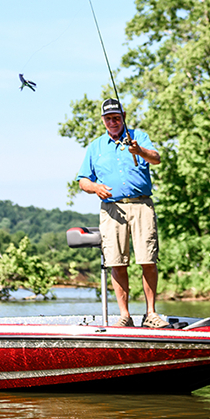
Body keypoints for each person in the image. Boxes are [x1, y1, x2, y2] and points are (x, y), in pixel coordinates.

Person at [77, 99, 166, 328]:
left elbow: (156, 158)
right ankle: (125, 316)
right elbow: (83, 181)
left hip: (141, 205)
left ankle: (151, 314)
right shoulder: (96, 146)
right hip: (112, 209)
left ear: (123, 116)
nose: (113, 122)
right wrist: (95, 188)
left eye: (116, 117)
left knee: (148, 259)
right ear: (103, 120)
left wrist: (140, 150)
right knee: (117, 262)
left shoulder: (139, 136)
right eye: (108, 118)